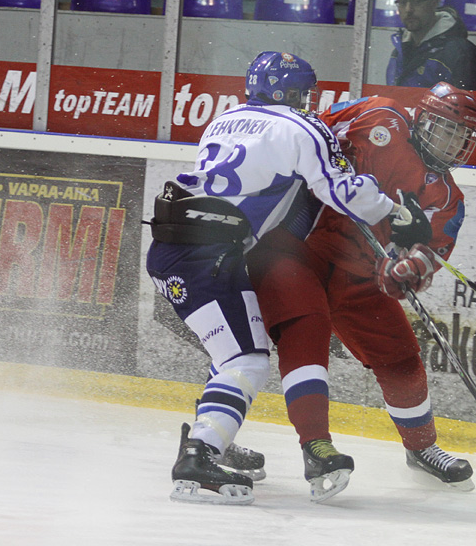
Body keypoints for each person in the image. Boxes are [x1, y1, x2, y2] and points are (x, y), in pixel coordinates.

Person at [145, 51, 430, 506]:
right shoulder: (303, 128)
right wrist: (396, 215)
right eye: (303, 94)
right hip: (209, 253)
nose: (308, 102)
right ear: (290, 93)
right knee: (246, 360)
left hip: (170, 246)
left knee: (235, 352)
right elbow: (340, 188)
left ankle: (210, 434)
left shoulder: (224, 120)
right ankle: (198, 456)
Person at [245, 82, 476, 502]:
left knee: (402, 358)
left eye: (460, 137)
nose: (451, 143)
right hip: (301, 247)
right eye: (445, 130)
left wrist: (405, 269)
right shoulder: (378, 114)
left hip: (360, 276)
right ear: (423, 119)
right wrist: (336, 166)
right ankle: (312, 446)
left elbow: (431, 253)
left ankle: (422, 448)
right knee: (303, 335)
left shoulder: (447, 197)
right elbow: (310, 130)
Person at [386, 0, 476, 92]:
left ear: (434, 3)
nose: (408, 9)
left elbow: (474, 108)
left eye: (417, 1)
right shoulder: (398, 53)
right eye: (402, 2)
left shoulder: (462, 55)